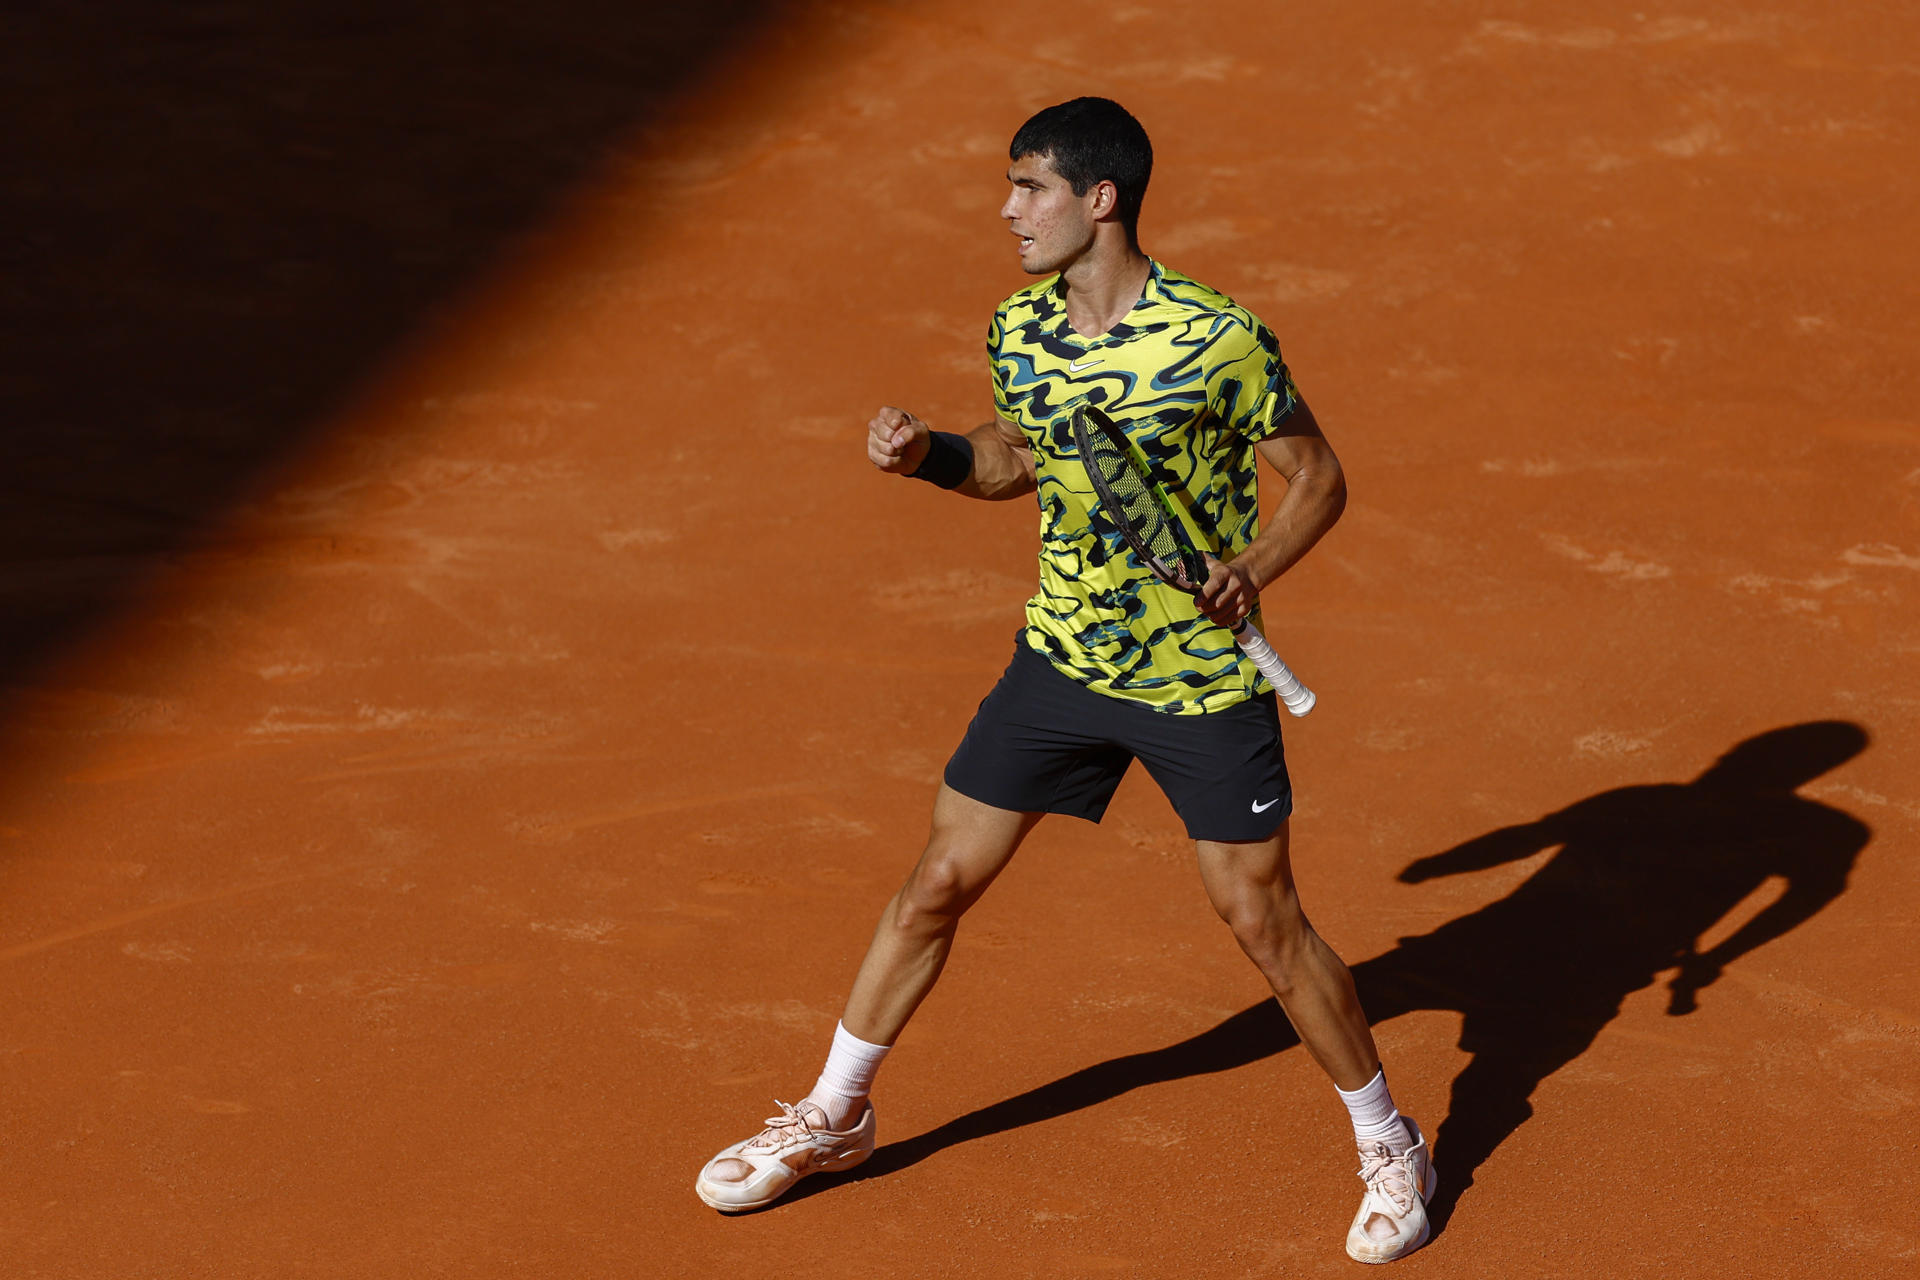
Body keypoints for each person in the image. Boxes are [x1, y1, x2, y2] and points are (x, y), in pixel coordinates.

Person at [695, 96, 1432, 1264]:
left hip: (1196, 678)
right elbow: (1017, 457)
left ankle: (1392, 1141)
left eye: (1029, 186)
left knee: (1263, 922)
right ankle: (836, 1112)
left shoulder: (1215, 337)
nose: (1007, 209)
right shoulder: (1021, 326)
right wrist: (930, 454)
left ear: (1102, 200)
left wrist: (1249, 567)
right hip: (1062, 658)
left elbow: (1319, 479)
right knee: (938, 877)